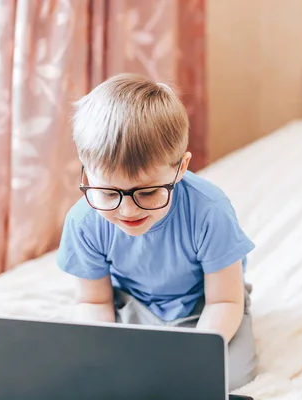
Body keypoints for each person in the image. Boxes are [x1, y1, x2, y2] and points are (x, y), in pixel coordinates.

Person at [56, 73, 257, 390]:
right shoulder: (84, 220)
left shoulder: (209, 211)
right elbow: (94, 302)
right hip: (133, 305)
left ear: (180, 168)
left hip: (205, 304)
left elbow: (225, 301)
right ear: (85, 166)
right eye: (109, 193)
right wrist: (102, 351)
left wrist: (195, 357)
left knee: (228, 378)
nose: (127, 210)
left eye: (147, 193)